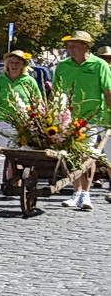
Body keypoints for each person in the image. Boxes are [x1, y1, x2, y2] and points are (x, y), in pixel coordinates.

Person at [52, 30, 111, 210]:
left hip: (92, 118)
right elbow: (55, 93)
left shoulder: (99, 65)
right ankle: (76, 192)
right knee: (72, 156)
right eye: (69, 46)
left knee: (86, 154)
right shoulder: (63, 66)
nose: (71, 49)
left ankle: (85, 193)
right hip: (67, 119)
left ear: (86, 47)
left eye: (75, 45)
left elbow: (108, 92)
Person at [0, 50, 42, 158]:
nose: (14, 65)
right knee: (1, 154)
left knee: (22, 155)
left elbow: (38, 102)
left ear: (22, 65)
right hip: (3, 122)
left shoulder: (29, 81)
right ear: (7, 64)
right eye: (11, 62)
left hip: (24, 123)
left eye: (17, 63)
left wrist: (38, 121)